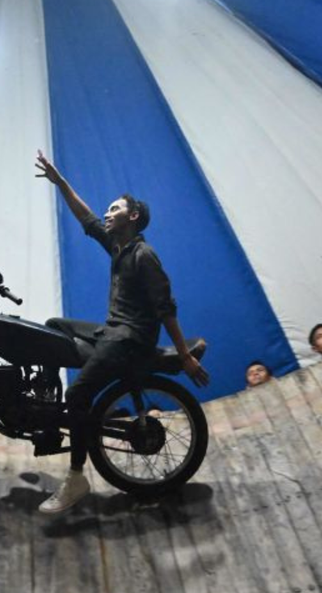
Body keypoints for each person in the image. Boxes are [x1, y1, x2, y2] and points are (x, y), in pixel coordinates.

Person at [34, 150, 209, 514]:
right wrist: (59, 181)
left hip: (129, 339)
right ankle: (50, 418)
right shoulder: (117, 245)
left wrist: (185, 355)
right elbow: (85, 217)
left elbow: (166, 309)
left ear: (133, 217)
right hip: (111, 332)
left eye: (114, 208)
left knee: (78, 392)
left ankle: (77, 477)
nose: (106, 213)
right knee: (52, 328)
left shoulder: (144, 255)